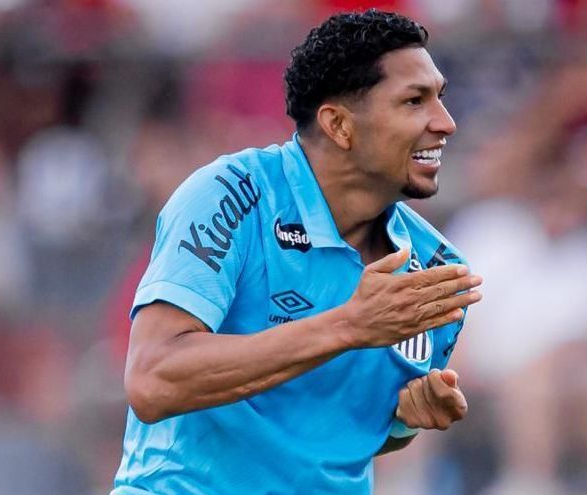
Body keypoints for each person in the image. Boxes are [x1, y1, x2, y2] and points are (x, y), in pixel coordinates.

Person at [112, 10, 483, 495]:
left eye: (440, 98)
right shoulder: (231, 196)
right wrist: (348, 326)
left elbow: (334, 426)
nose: (446, 123)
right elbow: (153, 380)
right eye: (414, 101)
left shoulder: (436, 270)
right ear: (339, 125)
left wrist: (406, 419)